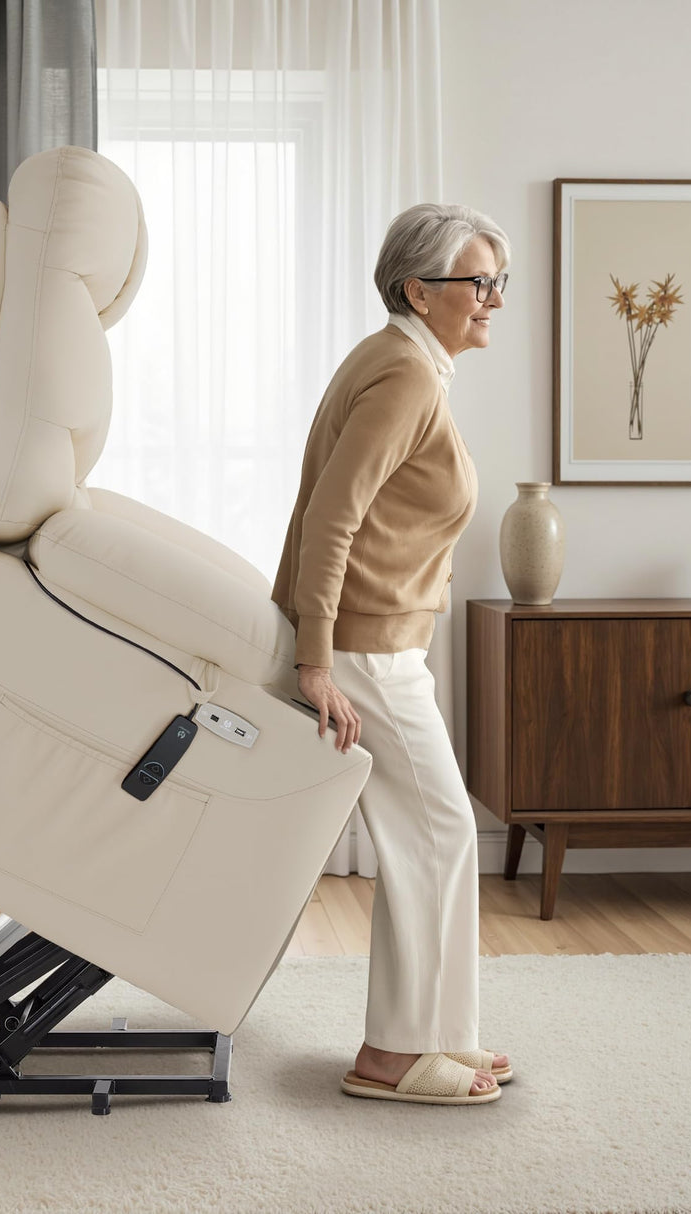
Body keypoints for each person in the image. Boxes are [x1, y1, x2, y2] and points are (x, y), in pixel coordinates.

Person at [271, 203, 513, 1106]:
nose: (494, 298)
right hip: (366, 648)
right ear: (419, 288)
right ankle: (393, 1054)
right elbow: (331, 519)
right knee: (438, 831)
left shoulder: (407, 363)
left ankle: (443, 1036)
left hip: (384, 642)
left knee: (435, 834)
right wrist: (316, 663)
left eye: (498, 281)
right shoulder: (406, 376)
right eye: (478, 281)